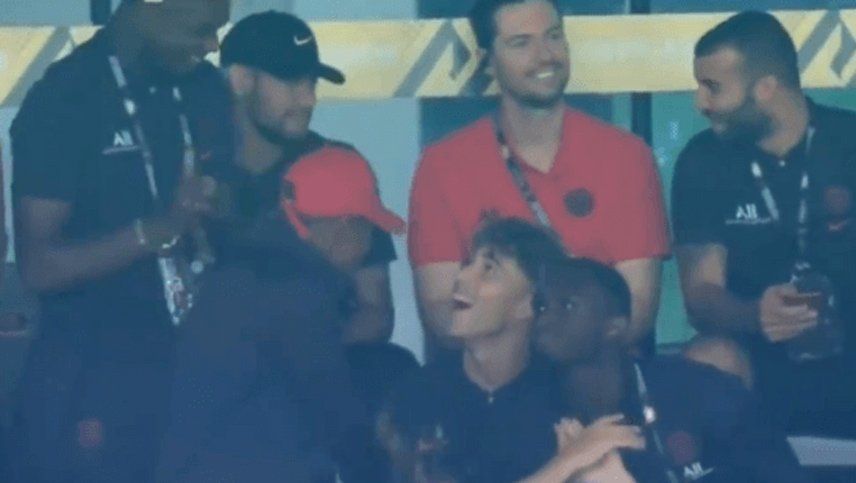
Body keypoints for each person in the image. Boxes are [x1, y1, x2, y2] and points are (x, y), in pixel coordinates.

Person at [9, 0, 231, 481]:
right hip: (97, 383)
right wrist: (156, 230)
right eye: (202, 29)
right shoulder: (66, 98)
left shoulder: (206, 87)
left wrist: (219, 202)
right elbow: (39, 267)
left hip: (200, 369)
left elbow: (238, 197)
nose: (212, 45)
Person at [408, 0, 669, 358]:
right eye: (521, 43)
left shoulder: (627, 155)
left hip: (594, 370)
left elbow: (638, 307)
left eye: (553, 37)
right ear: (488, 61)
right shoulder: (442, 165)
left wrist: (561, 350)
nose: (545, 55)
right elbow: (441, 311)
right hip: (495, 377)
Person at [158, 149, 410, 482]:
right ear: (344, 228)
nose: (367, 250)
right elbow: (335, 414)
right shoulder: (297, 292)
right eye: (369, 233)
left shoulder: (253, 268)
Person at [672, 10, 856, 436]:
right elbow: (701, 296)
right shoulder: (703, 160)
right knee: (708, 358)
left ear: (766, 88)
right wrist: (756, 314)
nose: (700, 103)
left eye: (713, 87)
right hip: (755, 353)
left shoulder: (847, 142)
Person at [381, 218, 646, 483]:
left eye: (489, 269)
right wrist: (567, 462)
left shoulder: (566, 399)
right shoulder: (417, 394)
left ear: (529, 303)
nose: (461, 277)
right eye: (467, 264)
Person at [532, 257, 811, 482]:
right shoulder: (521, 411)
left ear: (614, 326)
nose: (545, 318)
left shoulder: (702, 390)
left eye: (567, 305)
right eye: (541, 307)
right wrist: (566, 464)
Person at [219, 10, 398, 346]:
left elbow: (375, 312)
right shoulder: (195, 169)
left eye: (312, 83)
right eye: (291, 82)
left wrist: (303, 355)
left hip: (325, 364)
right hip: (214, 366)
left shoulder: (340, 165)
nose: (309, 99)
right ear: (242, 80)